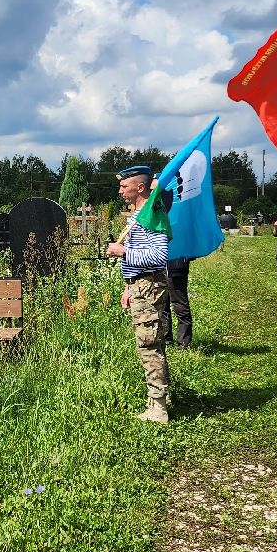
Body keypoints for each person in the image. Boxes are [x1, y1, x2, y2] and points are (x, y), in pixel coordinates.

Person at [105, 165, 171, 423]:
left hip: (149, 286)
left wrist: (123, 253)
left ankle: (159, 408)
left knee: (149, 345)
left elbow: (159, 255)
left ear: (140, 187)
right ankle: (156, 398)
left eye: (124, 186)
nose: (120, 190)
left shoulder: (152, 214)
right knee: (151, 343)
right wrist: (127, 286)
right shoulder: (138, 214)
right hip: (139, 286)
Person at [166, 256, 192, 348]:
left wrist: (185, 258)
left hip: (177, 267)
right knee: (163, 306)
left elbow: (192, 247)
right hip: (159, 268)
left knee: (180, 306)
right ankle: (166, 341)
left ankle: (184, 344)